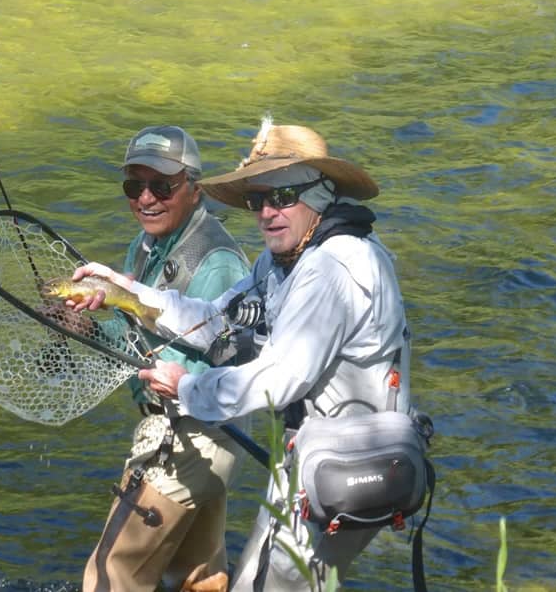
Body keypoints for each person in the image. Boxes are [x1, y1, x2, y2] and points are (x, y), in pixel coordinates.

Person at [69, 117, 414, 590]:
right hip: (317, 460)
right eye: (257, 200)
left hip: (346, 466)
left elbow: (281, 377)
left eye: (283, 197)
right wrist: (125, 291)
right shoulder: (283, 261)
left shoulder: (334, 266)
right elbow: (214, 318)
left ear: (320, 195)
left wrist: (188, 388)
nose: (267, 212)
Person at [78, 125, 251, 592]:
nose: (146, 199)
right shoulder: (147, 245)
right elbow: (138, 329)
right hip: (201, 441)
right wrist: (93, 320)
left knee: (111, 575)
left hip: (193, 434)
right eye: (135, 186)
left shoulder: (217, 262)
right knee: (197, 579)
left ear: (194, 188)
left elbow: (216, 359)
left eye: (162, 185)